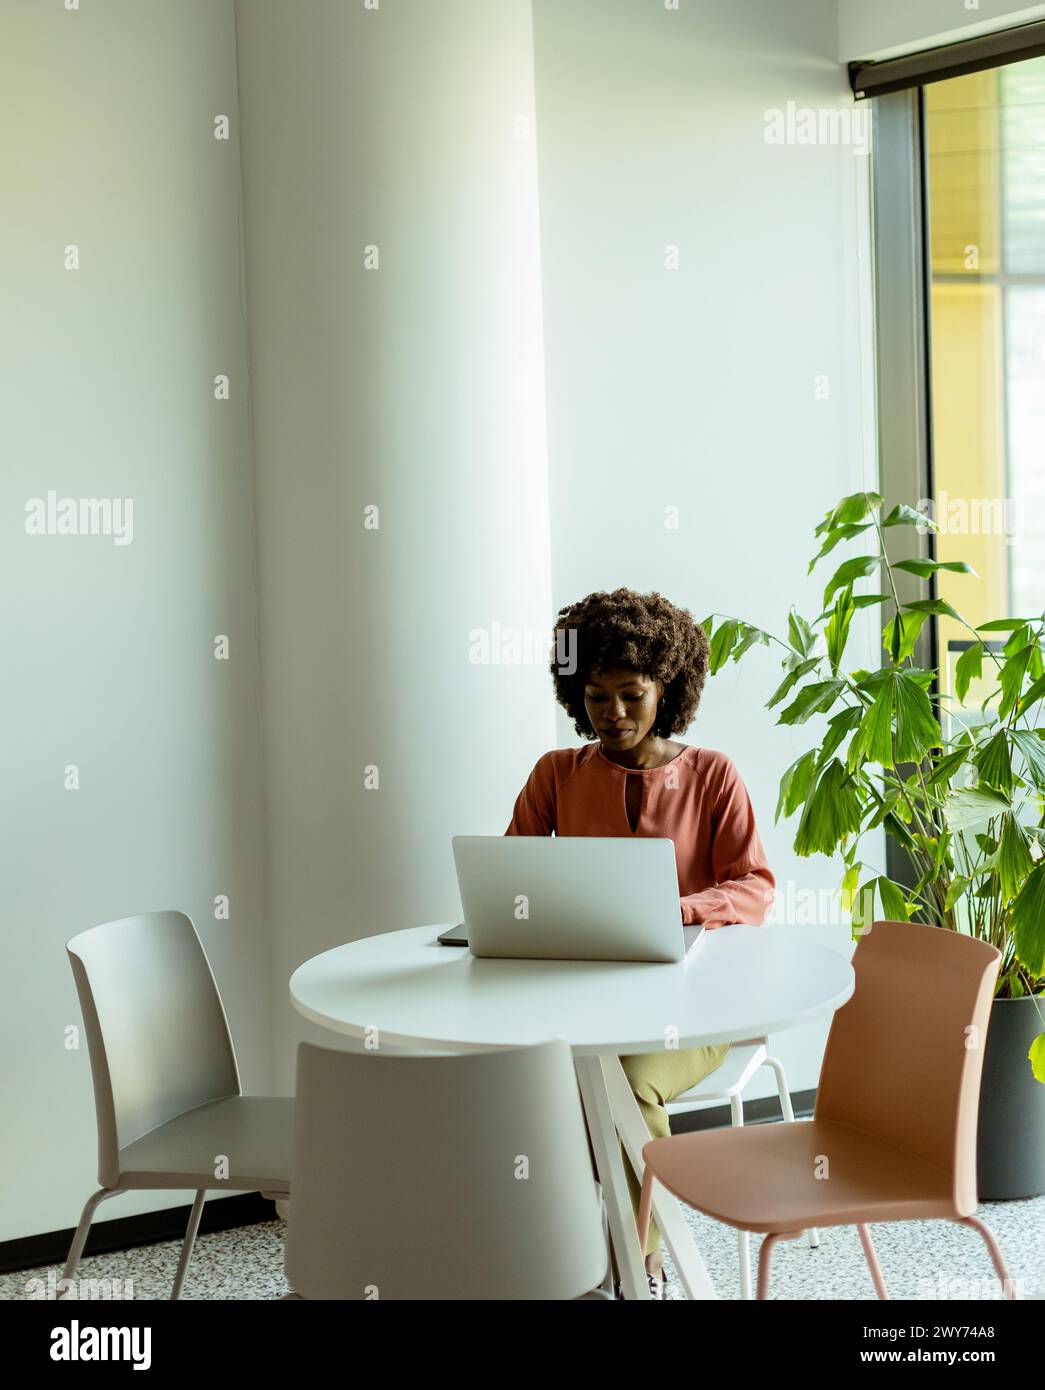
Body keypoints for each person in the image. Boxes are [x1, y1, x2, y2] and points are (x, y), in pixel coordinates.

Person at [505, 587, 775, 1298]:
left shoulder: (712, 774)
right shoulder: (554, 775)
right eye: (596, 696)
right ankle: (602, 1251)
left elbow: (753, 887)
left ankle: (636, 1261)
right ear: (576, 694)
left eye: (631, 694)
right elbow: (512, 881)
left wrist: (677, 911)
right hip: (583, 1003)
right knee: (540, 1077)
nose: (613, 714)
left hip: (697, 1008)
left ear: (668, 690)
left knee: (617, 1083)